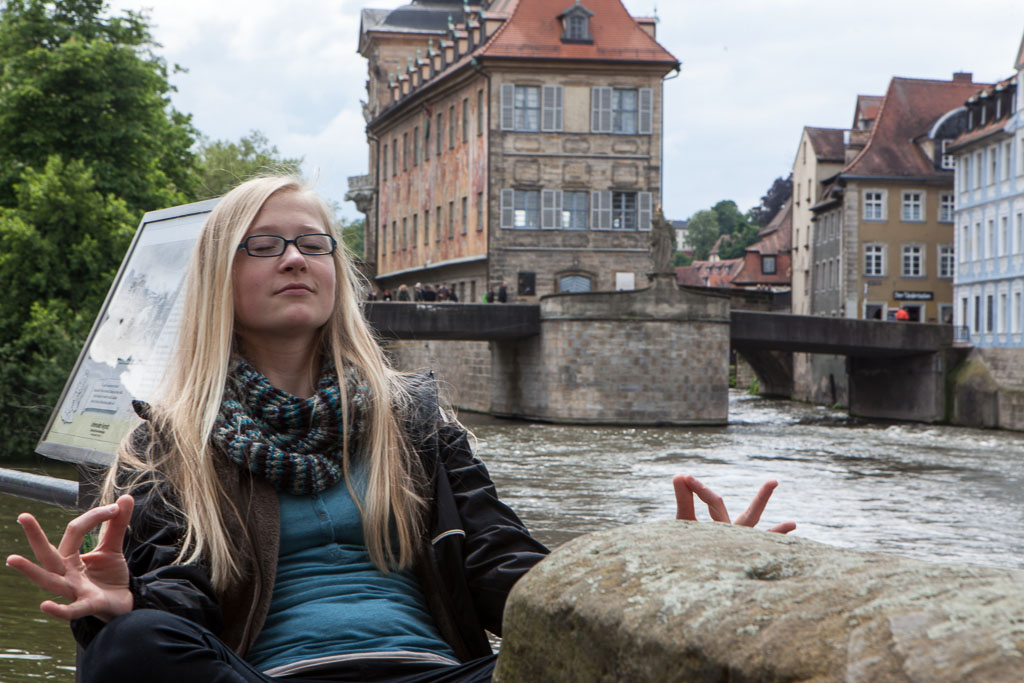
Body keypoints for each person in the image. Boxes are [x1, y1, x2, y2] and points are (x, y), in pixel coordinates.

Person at [7, 175, 793, 682]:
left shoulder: (410, 418)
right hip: (268, 679)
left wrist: (666, 580)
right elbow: (178, 611)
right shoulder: (169, 441)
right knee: (127, 652)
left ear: (335, 272)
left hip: (433, 674)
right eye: (267, 244)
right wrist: (126, 601)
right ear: (220, 274)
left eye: (313, 244)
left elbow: (505, 567)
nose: (295, 258)